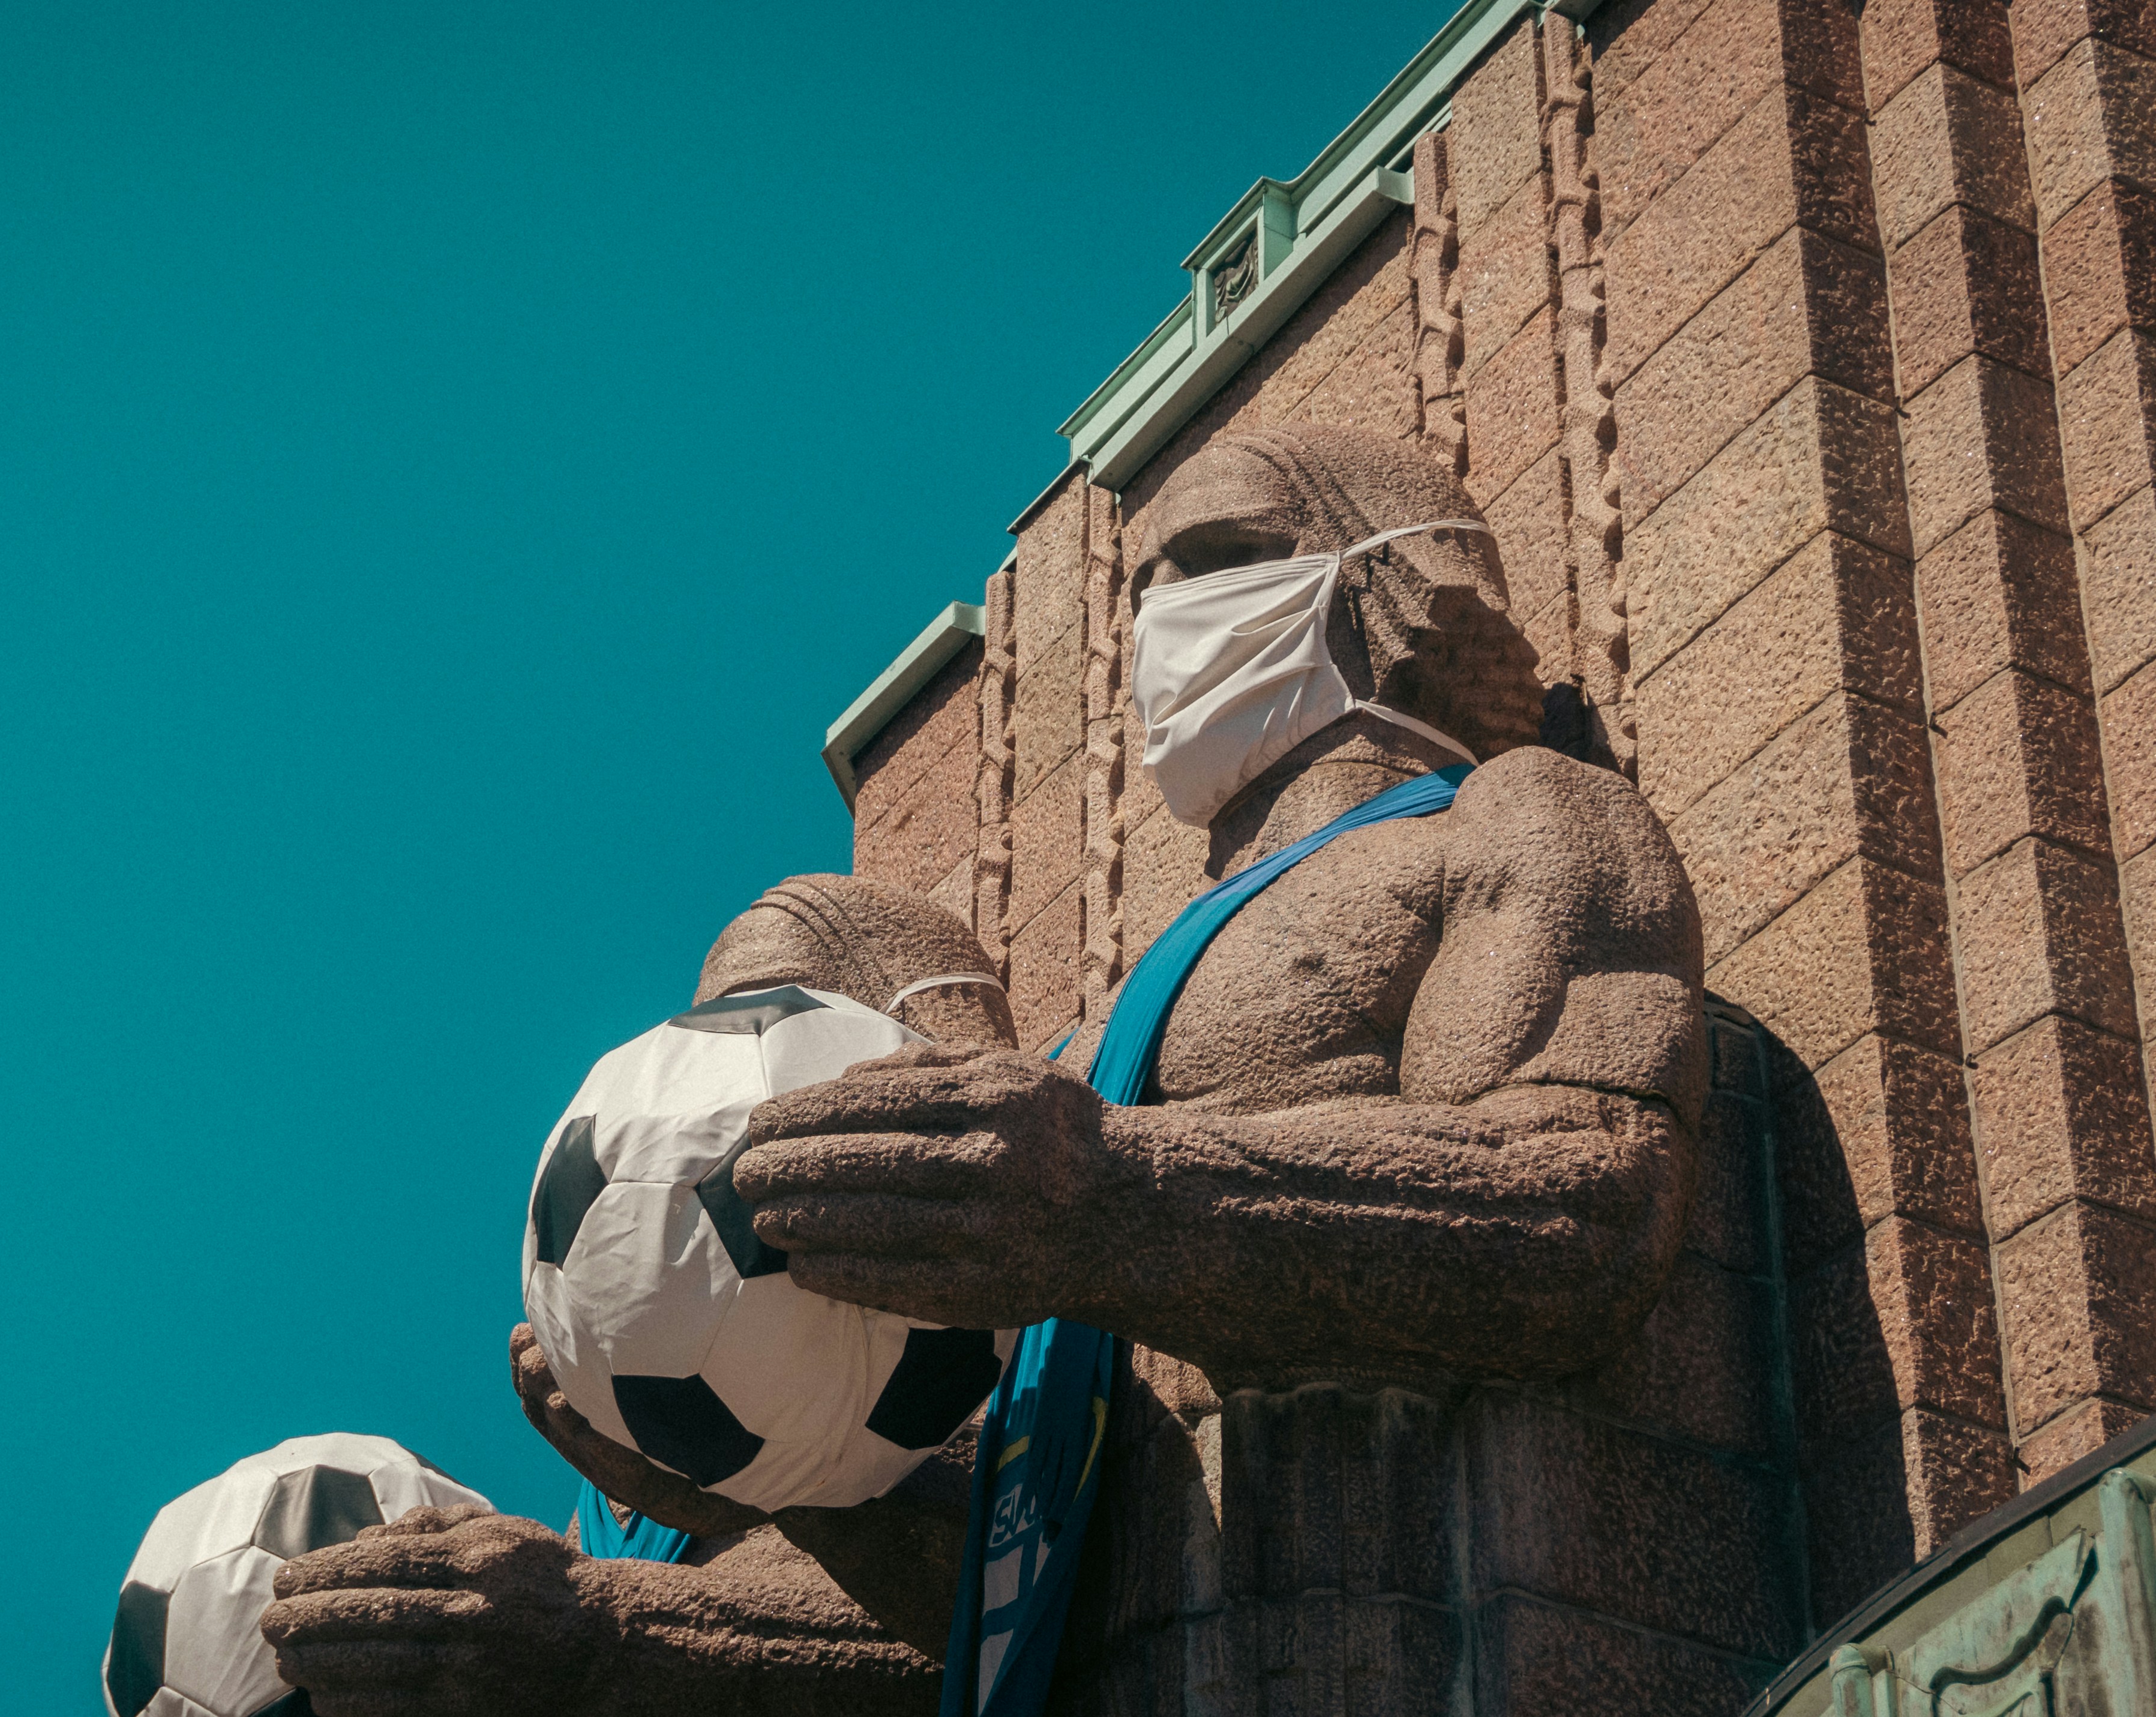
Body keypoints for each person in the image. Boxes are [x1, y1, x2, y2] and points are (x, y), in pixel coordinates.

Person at [269, 424, 1708, 1715]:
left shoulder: (1517, 819)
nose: (1158, 622)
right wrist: (717, 1525)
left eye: (1213, 560)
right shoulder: (1081, 1064)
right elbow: (1015, 1587)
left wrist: (1116, 1198)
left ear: (1402, 584)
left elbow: (1578, 1203)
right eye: (1139, 593)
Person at [257, 875, 1013, 1717]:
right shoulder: (612, 1511)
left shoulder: (1026, 1338)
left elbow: (1024, 1616)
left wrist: (604, 1632)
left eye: (784, 1020)